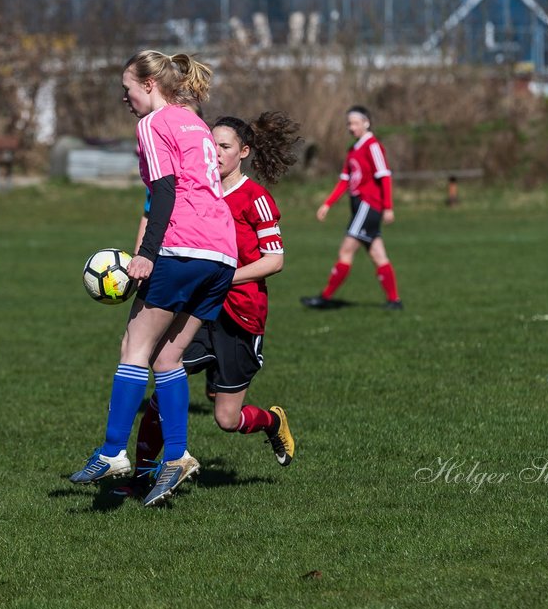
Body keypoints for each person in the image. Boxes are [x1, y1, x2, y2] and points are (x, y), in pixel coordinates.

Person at [68, 50, 236, 508]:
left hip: (182, 246)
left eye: (127, 89)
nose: (125, 98)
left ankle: (112, 453)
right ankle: (177, 455)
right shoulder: (194, 121)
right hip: (222, 252)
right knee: (168, 358)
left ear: (148, 85)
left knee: (134, 349)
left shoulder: (153, 123)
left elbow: (164, 191)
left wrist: (145, 254)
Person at [122, 112, 300, 495]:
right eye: (211, 145)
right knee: (165, 378)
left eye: (225, 147)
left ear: (244, 152)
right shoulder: (197, 191)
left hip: (240, 315)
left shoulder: (256, 199)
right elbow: (153, 212)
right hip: (200, 307)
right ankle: (140, 475)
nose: (216, 153)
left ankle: (271, 422)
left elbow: (275, 260)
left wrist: (220, 277)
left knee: (226, 417)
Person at [301, 105, 403, 310]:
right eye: (349, 123)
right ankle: (394, 301)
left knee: (345, 251)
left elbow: (384, 176)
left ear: (366, 123)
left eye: (355, 123)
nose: (351, 127)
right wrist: (327, 204)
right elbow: (344, 181)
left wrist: (388, 207)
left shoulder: (372, 146)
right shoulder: (353, 150)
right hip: (359, 208)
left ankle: (325, 298)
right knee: (378, 254)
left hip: (369, 206)